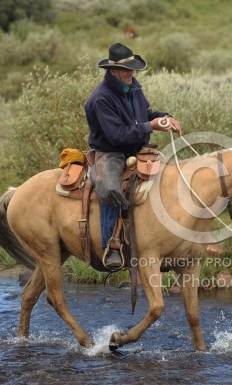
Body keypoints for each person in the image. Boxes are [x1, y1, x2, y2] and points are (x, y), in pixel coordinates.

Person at [85, 42, 182, 269]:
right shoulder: (101, 98)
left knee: (171, 178)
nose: (131, 73)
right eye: (127, 69)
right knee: (109, 187)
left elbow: (145, 114)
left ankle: (167, 239)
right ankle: (112, 246)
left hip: (138, 149)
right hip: (111, 151)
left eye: (133, 69)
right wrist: (151, 126)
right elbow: (118, 135)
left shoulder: (133, 88)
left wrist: (165, 117)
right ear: (113, 71)